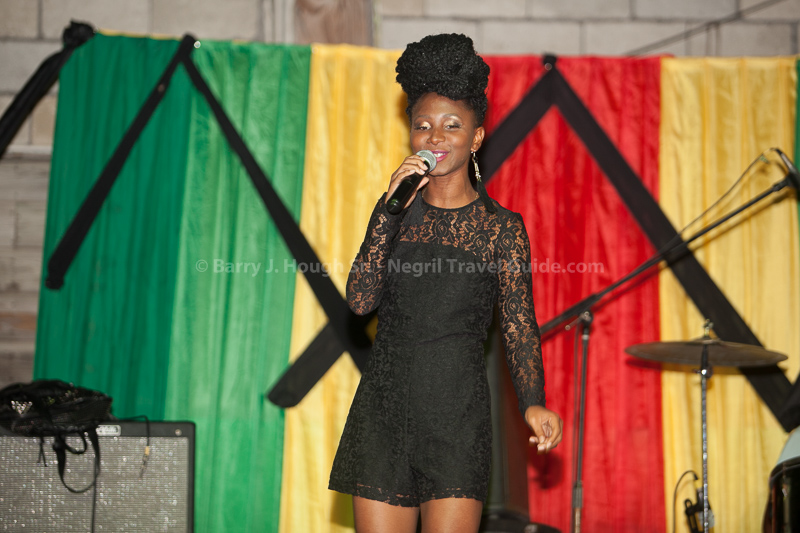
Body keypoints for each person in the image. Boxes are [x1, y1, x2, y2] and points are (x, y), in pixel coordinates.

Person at [329, 33, 563, 533]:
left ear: (475, 138)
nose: (435, 136)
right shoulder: (394, 213)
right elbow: (359, 300)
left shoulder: (501, 229)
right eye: (423, 125)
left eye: (452, 125)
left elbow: (520, 325)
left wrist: (533, 401)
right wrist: (388, 210)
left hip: (456, 418)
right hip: (383, 413)